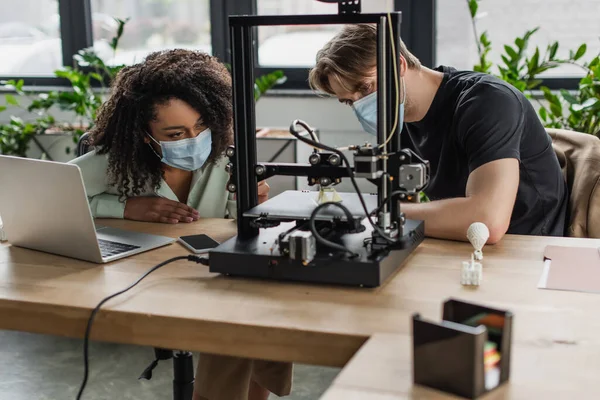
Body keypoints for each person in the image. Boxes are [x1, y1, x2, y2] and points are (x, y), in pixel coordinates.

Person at [69, 49, 292, 400]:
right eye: (175, 134)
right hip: (142, 282)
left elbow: (243, 225)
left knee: (256, 307)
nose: (194, 139)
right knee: (238, 319)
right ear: (145, 134)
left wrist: (255, 208)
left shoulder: (226, 156)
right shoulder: (113, 162)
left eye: (201, 125)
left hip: (208, 277)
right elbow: (40, 208)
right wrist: (126, 207)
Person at [308, 24, 568, 244]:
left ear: (397, 65)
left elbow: (488, 219)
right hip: (459, 243)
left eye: (365, 88)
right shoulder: (395, 122)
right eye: (348, 101)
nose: (360, 105)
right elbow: (407, 203)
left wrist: (376, 213)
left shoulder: (487, 102)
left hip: (526, 248)